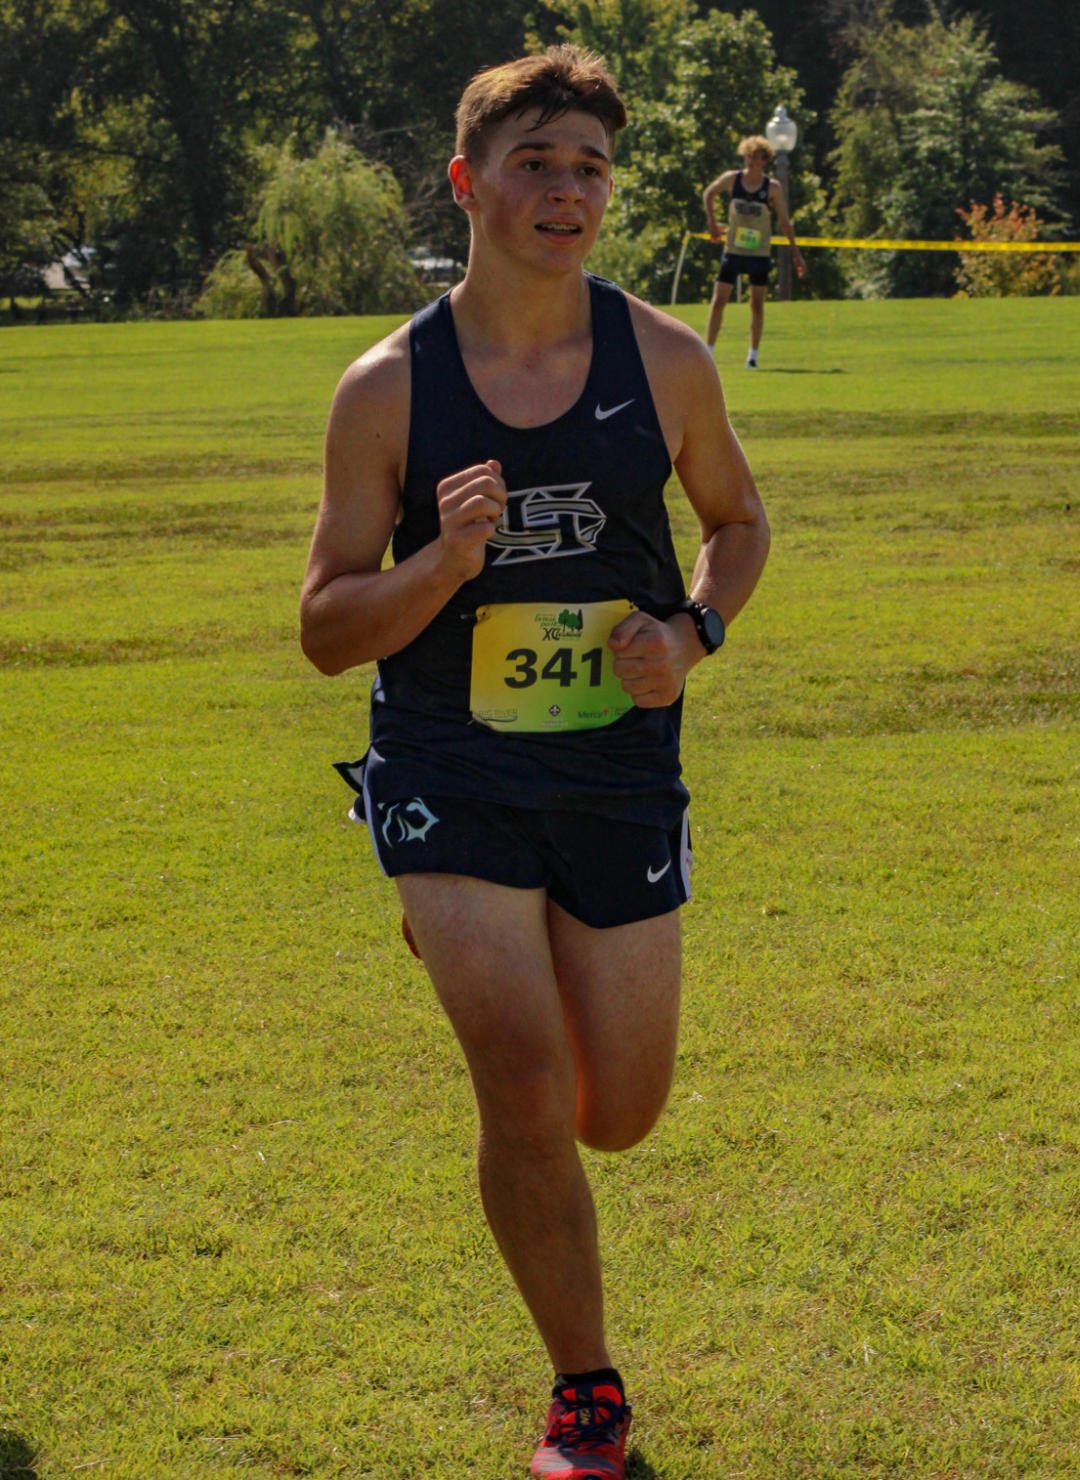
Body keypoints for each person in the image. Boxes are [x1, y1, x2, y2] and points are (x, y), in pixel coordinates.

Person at [299, 45, 769, 1480]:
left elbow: (738, 524)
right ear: (467, 184)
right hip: (448, 763)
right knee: (514, 1076)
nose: (567, 193)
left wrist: (692, 632)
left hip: (617, 771)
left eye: (589, 170)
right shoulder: (387, 389)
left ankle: (492, 967)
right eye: (535, 166)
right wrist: (442, 564)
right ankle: (586, 1395)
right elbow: (325, 629)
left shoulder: (664, 360)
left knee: (610, 1113)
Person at [702, 135, 806, 368]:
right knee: (719, 300)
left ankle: (752, 356)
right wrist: (712, 223)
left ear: (764, 160)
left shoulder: (773, 188)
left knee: (756, 305)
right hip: (734, 250)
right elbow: (708, 193)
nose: (751, 161)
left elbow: (785, 221)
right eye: (748, 156)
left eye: (756, 157)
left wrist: (796, 253)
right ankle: (708, 352)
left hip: (758, 254)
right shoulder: (733, 179)